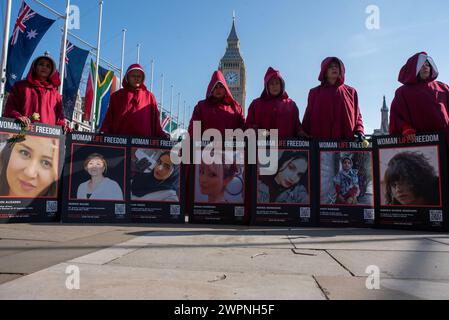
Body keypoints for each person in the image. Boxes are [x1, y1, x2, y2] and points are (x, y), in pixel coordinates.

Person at [390, 52, 449, 146]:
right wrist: (406, 128)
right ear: (414, 69)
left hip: (446, 140)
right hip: (422, 144)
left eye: (427, 65)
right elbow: (396, 117)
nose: (425, 67)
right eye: (422, 65)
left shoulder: (443, 87)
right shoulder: (402, 92)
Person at [302, 57, 365, 141]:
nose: (334, 68)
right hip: (320, 146)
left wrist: (360, 131)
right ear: (324, 71)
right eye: (330, 66)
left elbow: (357, 116)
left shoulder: (351, 92)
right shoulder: (314, 92)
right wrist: (303, 135)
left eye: (336, 66)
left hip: (346, 146)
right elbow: (308, 116)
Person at [3, 54, 68, 131]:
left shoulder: (55, 94)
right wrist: (17, 117)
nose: (44, 67)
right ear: (34, 67)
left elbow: (59, 116)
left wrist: (63, 125)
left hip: (47, 138)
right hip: (22, 134)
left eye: (48, 66)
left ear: (51, 71)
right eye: (41, 64)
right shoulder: (20, 86)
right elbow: (10, 108)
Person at [100, 64, 167, 138]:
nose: (136, 78)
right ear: (127, 77)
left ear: (142, 78)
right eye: (133, 76)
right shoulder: (116, 96)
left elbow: (155, 123)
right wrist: (104, 131)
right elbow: (109, 118)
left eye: (139, 76)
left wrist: (162, 135)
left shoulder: (150, 97)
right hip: (120, 142)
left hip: (143, 144)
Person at [246, 67, 306, 139]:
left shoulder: (291, 105)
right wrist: (262, 133)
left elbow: (297, 127)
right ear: (266, 86)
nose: (275, 86)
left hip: (287, 149)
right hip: (262, 147)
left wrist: (302, 134)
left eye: (277, 83)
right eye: (271, 84)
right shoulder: (255, 104)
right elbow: (248, 127)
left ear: (281, 85)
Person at [188, 70, 245, 136]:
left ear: (225, 88)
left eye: (221, 86)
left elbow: (243, 130)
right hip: (207, 145)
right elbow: (193, 131)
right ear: (211, 89)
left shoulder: (236, 108)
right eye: (215, 87)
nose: (218, 90)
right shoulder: (201, 107)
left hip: (229, 145)